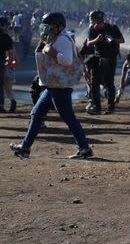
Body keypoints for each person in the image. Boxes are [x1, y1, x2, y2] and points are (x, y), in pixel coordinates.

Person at [10, 12, 92, 159]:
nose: (46, 29)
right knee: (37, 113)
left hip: (60, 86)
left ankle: (85, 148)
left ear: (58, 26)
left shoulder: (62, 39)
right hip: (54, 84)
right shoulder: (55, 38)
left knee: (67, 117)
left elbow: (67, 61)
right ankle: (25, 147)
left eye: (49, 26)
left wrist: (51, 51)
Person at [82, 10, 125, 115]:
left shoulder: (112, 28)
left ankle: (111, 107)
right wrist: (97, 39)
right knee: (94, 82)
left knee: (109, 83)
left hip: (110, 58)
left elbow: (122, 40)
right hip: (97, 57)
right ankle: (97, 107)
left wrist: (112, 39)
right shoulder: (92, 29)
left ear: (99, 18)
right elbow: (88, 44)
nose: (92, 21)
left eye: (93, 18)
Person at [0, 16, 17, 112]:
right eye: (6, 25)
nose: (7, 27)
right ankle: (1, 105)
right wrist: (10, 63)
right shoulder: (6, 37)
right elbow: (11, 53)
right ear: (2, 26)